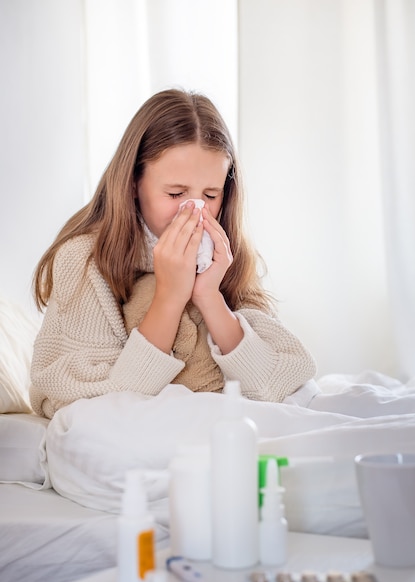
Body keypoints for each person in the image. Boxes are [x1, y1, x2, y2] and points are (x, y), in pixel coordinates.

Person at [30, 88, 317, 419]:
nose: (194, 210)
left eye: (211, 194)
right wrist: (170, 296)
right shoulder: (84, 258)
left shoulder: (224, 251)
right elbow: (98, 404)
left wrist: (210, 296)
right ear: (134, 183)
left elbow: (276, 385)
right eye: (176, 192)